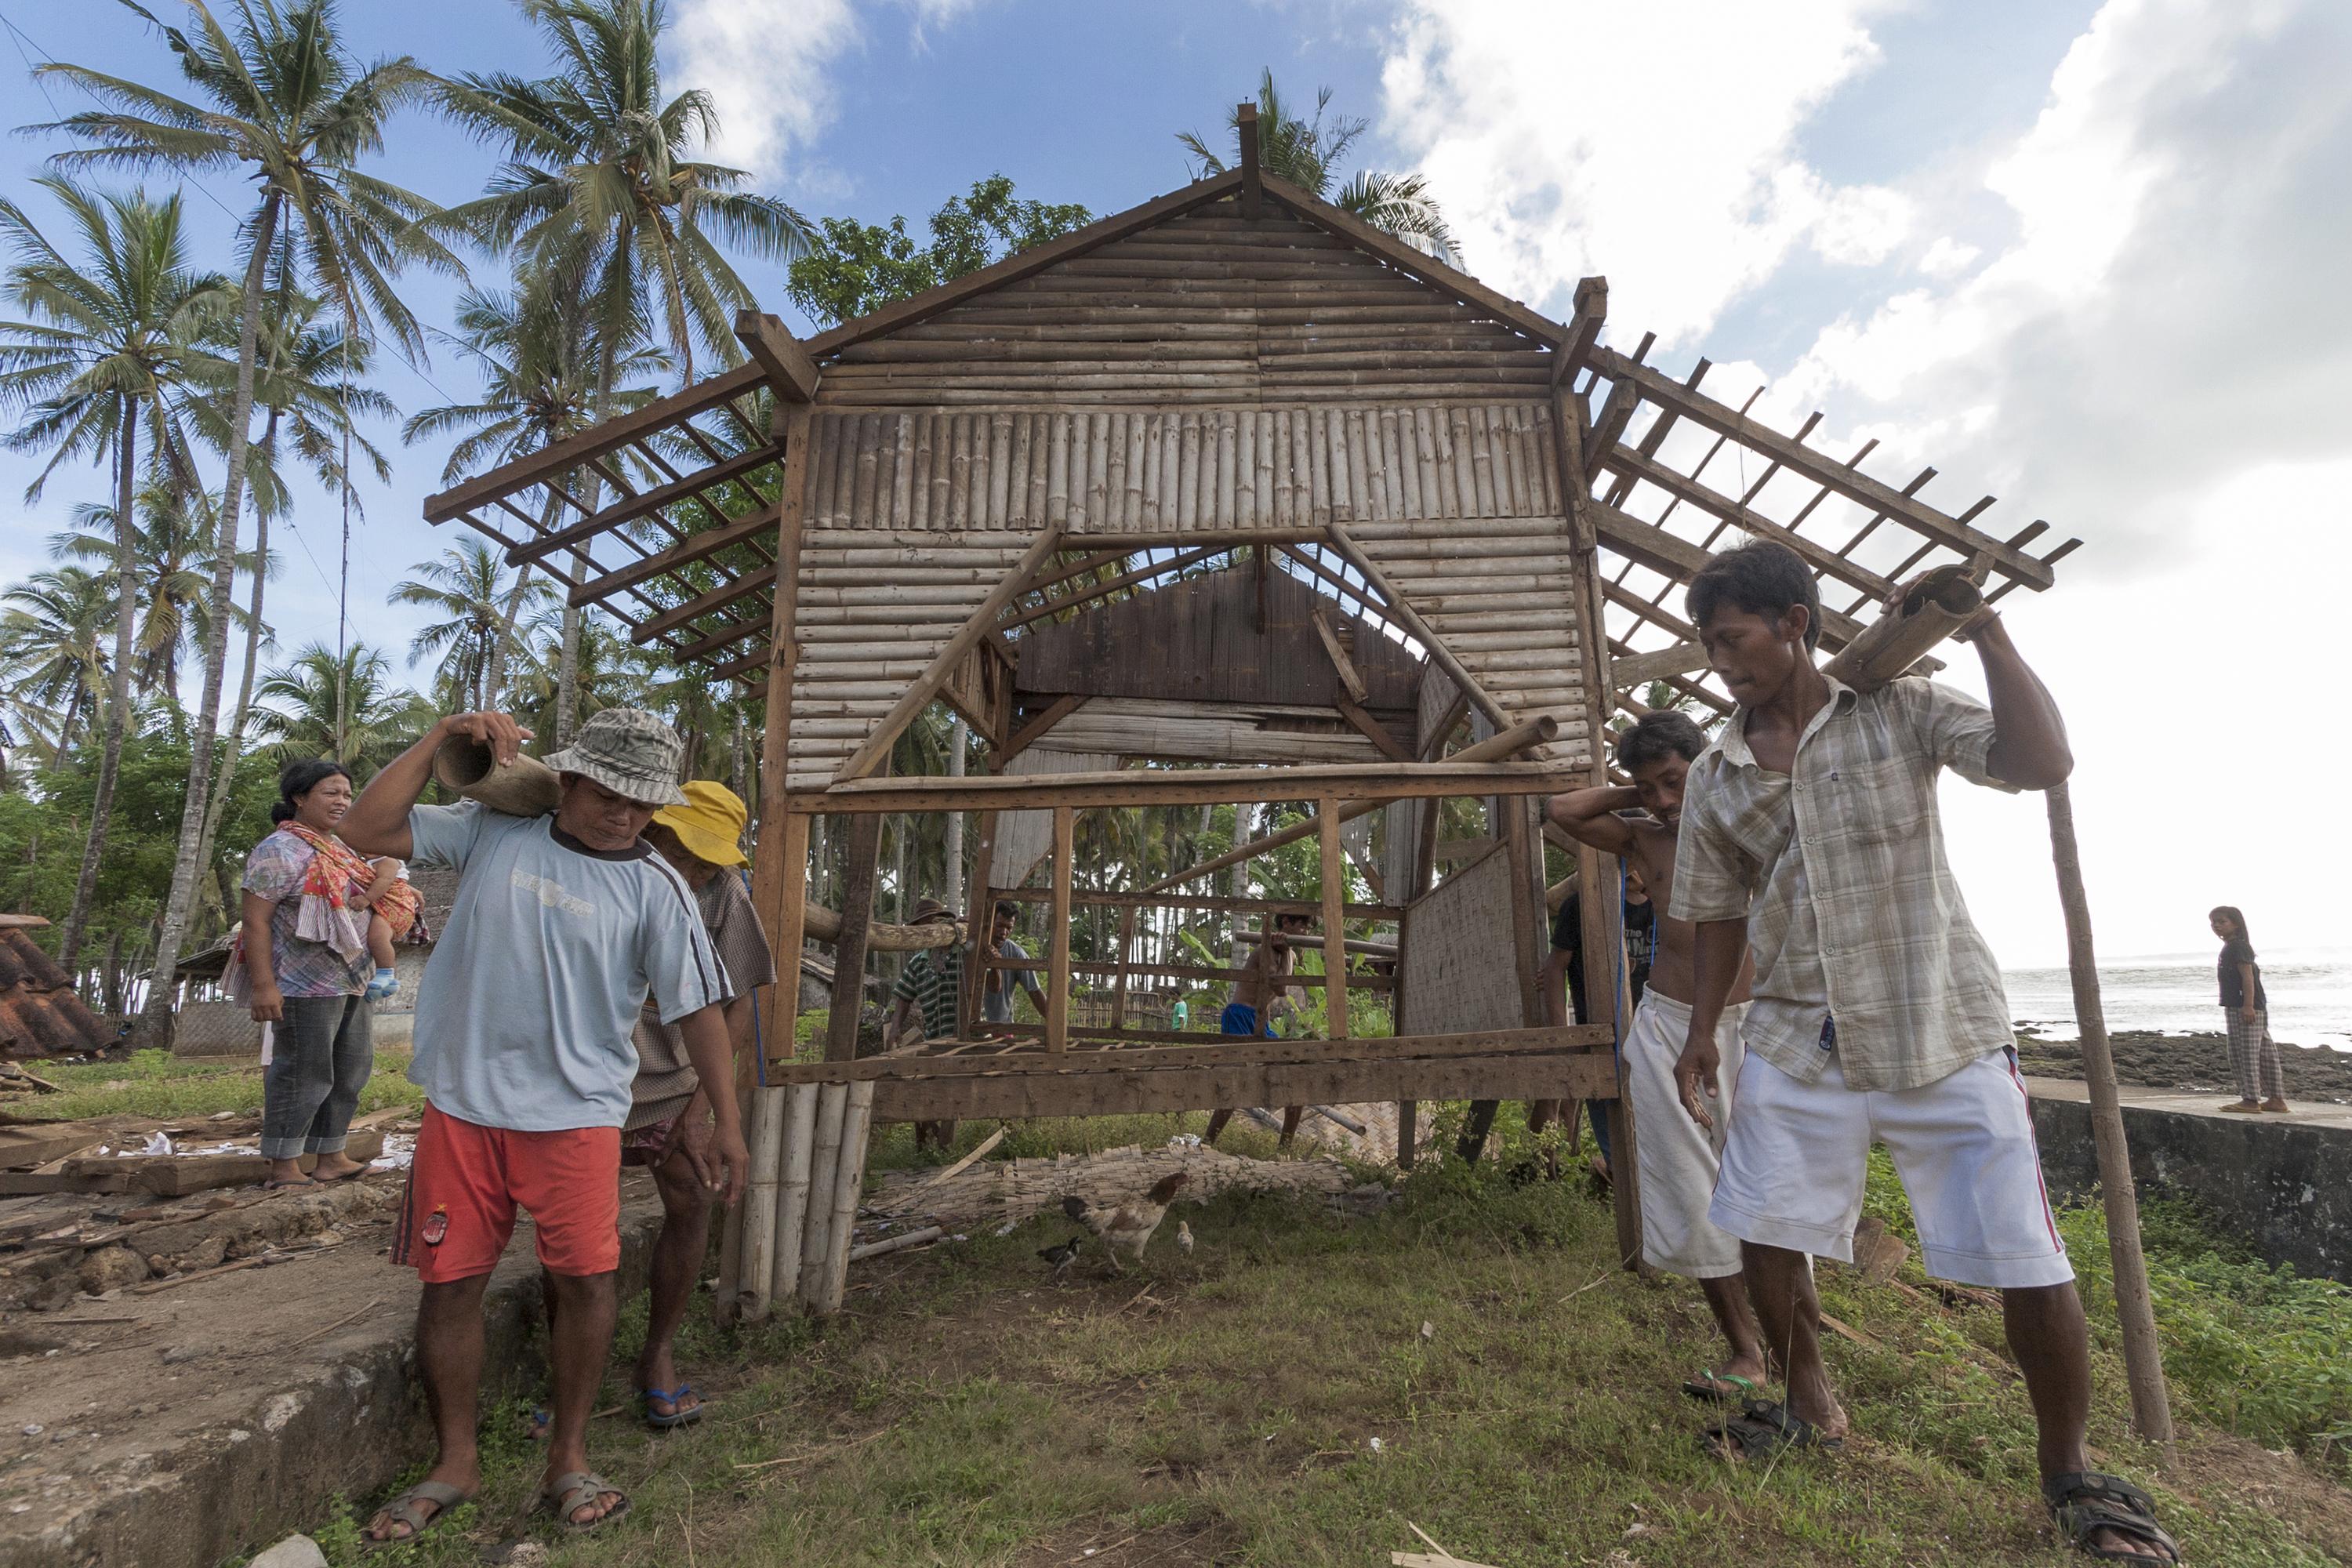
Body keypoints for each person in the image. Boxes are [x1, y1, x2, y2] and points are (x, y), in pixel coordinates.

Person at [1668, 542, 2176, 1563]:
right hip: (1793, 1037)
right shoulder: (1717, 773)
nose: (1722, 663)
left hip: (1938, 1022)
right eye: (1710, 646)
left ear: (1795, 624)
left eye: (1735, 640)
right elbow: (1717, 915)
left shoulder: (1899, 705)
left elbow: (2042, 764)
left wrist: (1985, 629)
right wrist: (1701, 1036)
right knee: (1766, 1222)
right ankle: (1810, 1398)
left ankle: (2069, 1471)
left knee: (2023, 1255)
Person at [339, 708, 746, 1544]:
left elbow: (703, 1011)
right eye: (607, 792)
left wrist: (727, 1125)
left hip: (578, 1116)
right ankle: (457, 1460)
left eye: (642, 802)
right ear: (569, 778)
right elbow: (364, 824)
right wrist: (440, 739)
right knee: (450, 1284)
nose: (625, 814)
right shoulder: (494, 829)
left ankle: (569, 1452)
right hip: (463, 1103)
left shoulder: (657, 885)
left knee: (586, 1281)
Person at [1548, 712, 1767, 1403]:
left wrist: (1699, 788)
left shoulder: (1747, 824)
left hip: (1756, 1028)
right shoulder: (1643, 839)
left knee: (1770, 1185)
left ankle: (1799, 1336)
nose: (1666, 799)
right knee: (1688, 1188)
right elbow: (1563, 811)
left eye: (1675, 779)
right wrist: (1636, 795)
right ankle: (1746, 1350)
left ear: (1704, 765)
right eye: (1652, 787)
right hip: (1670, 1026)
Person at [608, 781, 775, 1429]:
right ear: (654, 830)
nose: (695, 869)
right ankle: (575, 1367)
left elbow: (740, 1002)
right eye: (686, 851)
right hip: (587, 1080)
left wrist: (705, 1105)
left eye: (709, 860)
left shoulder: (722, 891)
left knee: (691, 1199)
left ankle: (658, 1354)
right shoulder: (604, 869)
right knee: (574, 1227)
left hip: (673, 1077)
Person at [230, 760, 378, 1190]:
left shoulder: (342, 849)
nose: (342, 802)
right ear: (299, 798)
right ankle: (283, 1164)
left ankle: (331, 1155)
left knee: (351, 1068)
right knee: (304, 1070)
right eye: (331, 793)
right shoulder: (278, 850)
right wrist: (264, 985)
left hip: (353, 979)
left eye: (347, 794)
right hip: (302, 985)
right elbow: (256, 921)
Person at [1203, 912, 1311, 1147]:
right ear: (1286, 923)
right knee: (1235, 1081)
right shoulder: (1266, 950)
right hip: (1240, 1015)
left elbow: (1278, 991)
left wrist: (1287, 953)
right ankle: (1208, 1141)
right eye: (1302, 926)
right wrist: (1285, 954)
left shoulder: (1285, 953)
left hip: (1261, 1021)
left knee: (1296, 1076)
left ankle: (1285, 1147)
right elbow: (1282, 989)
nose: (1307, 932)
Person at [888, 898, 975, 1153]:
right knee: (922, 1090)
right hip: (933, 1037)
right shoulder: (918, 962)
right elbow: (904, 997)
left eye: (931, 925)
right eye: (922, 928)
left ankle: (944, 1146)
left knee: (952, 1092)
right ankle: (927, 1144)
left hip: (961, 1037)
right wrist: (894, 1030)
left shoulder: (962, 952)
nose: (927, 931)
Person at [2210, 906, 2288, 1115]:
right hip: (2252, 1007)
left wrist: (2247, 1006)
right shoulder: (2235, 946)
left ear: (2236, 923)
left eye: (2222, 921)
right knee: (2264, 1054)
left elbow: (2248, 977)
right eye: (2214, 922)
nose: (2216, 926)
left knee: (2243, 1054)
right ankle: (2276, 1099)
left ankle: (2251, 1100)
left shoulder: (2238, 947)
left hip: (2243, 1007)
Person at [361, 856, 424, 1001]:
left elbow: (385, 881)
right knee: (378, 939)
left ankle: (386, 973)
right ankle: (383, 986)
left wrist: (366, 899)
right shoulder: (372, 860)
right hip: (392, 904)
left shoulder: (387, 860)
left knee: (377, 939)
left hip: (395, 906)